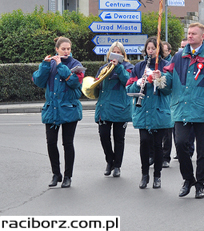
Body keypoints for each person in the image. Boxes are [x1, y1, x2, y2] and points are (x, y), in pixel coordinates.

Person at [162, 22, 204, 199]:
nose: (189, 36)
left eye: (193, 34)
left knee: (203, 151)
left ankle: (200, 184)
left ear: (202, 37)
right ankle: (188, 179)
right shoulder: (178, 57)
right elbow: (167, 83)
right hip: (181, 109)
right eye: (188, 33)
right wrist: (158, 80)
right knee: (181, 144)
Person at [33, 37, 85, 188]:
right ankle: (56, 174)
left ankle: (68, 176)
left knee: (68, 144)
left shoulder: (76, 64)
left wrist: (61, 65)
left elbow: (75, 82)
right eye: (63, 49)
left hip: (69, 109)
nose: (66, 51)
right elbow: (38, 81)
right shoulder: (49, 64)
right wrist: (44, 65)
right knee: (50, 143)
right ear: (57, 49)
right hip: (52, 109)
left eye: (69, 49)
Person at [126, 37, 172, 189]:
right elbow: (128, 88)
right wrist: (139, 82)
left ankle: (157, 176)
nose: (151, 51)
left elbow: (167, 90)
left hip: (159, 110)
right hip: (143, 110)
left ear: (159, 50)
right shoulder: (139, 66)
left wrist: (158, 80)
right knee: (144, 142)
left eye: (154, 48)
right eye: (149, 48)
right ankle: (144, 174)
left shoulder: (166, 66)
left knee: (158, 145)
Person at [95, 42, 134, 178]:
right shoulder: (103, 68)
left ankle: (117, 166)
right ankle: (109, 161)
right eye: (113, 52)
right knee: (103, 135)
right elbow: (97, 85)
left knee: (119, 138)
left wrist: (118, 68)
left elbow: (127, 82)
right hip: (104, 108)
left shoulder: (128, 68)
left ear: (123, 55)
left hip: (120, 108)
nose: (116, 55)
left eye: (119, 52)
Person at [161, 40, 174, 168]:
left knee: (167, 132)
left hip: (168, 101)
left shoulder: (169, 64)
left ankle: (166, 157)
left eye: (163, 50)